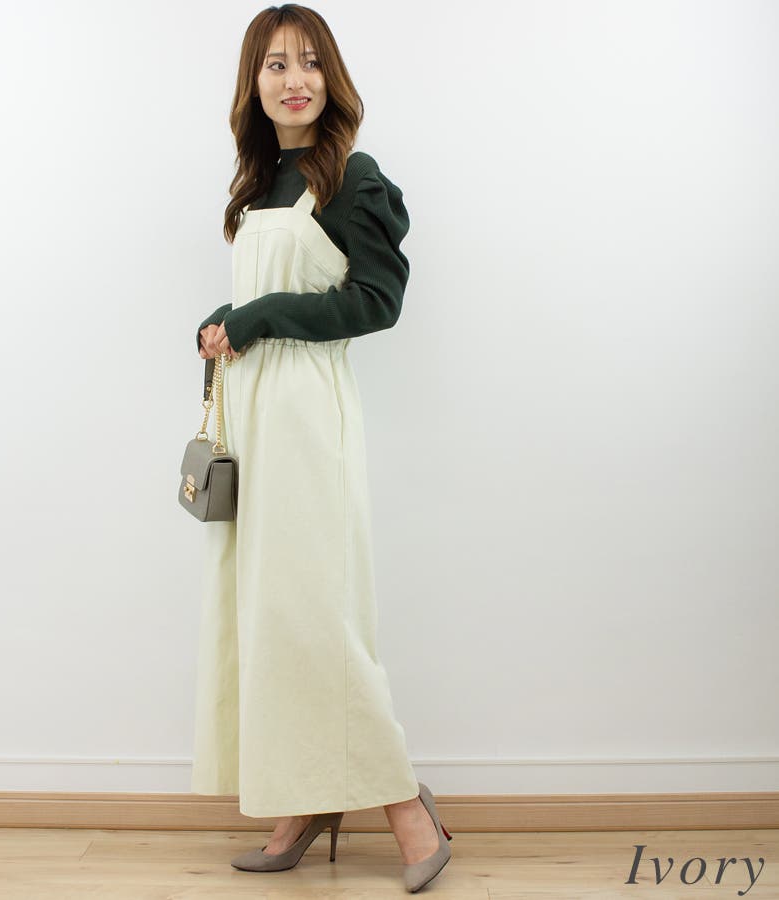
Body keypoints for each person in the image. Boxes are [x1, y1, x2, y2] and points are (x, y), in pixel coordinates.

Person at [191, 4, 452, 892]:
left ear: (330, 77)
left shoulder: (351, 175)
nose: (294, 79)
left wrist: (262, 315)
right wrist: (228, 320)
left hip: (308, 419)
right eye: (275, 65)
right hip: (253, 416)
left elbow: (377, 300)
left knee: (317, 614)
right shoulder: (256, 181)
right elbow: (273, 291)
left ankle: (408, 807)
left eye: (309, 62)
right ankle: (303, 799)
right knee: (272, 615)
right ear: (254, 84)